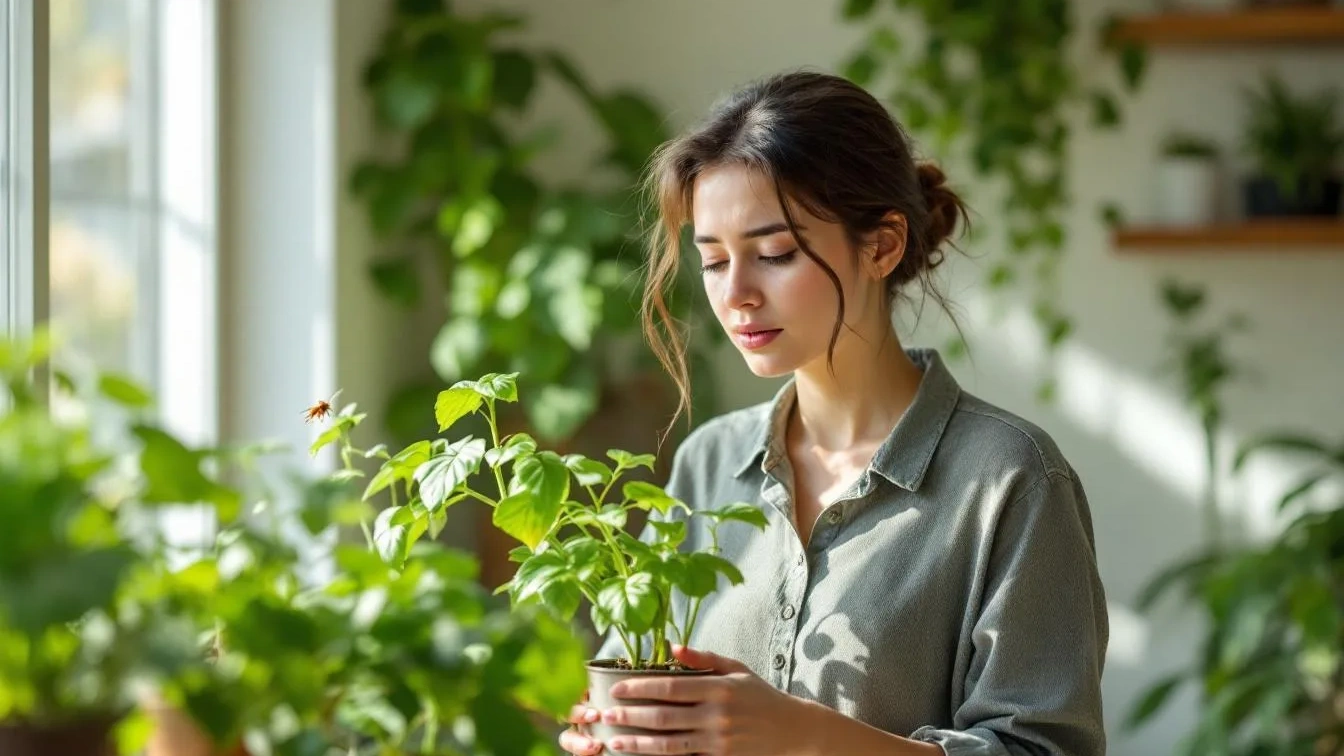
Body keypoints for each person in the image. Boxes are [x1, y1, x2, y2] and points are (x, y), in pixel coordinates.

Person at [558, 70, 1108, 756]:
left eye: (775, 254)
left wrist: (800, 735)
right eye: (713, 261)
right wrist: (606, 733)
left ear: (881, 245)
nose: (737, 295)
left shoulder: (1010, 479)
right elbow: (630, 681)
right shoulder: (710, 462)